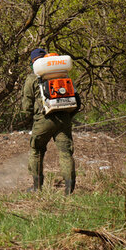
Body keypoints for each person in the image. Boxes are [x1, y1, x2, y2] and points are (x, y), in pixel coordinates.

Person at [21, 48, 79, 194]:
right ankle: (68, 191)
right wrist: (67, 117)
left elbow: (26, 105)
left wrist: (29, 119)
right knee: (66, 153)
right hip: (64, 118)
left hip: (43, 119)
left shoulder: (32, 78)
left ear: (33, 62)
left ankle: (37, 187)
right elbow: (77, 101)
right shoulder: (63, 75)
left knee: (36, 150)